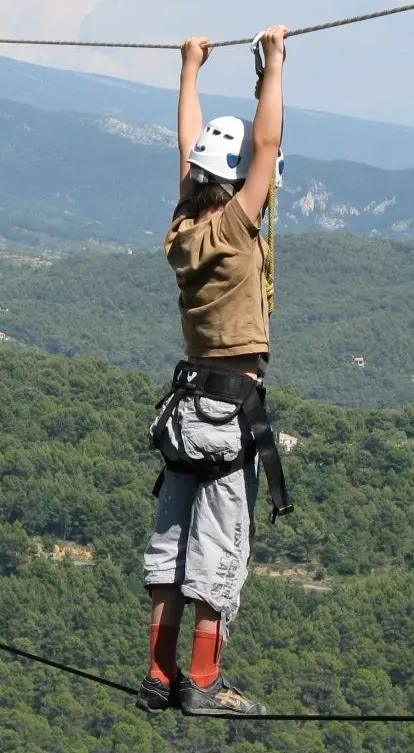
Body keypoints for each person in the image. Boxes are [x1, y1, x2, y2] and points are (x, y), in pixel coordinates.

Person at [138, 26, 291, 717]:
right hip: (230, 412)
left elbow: (189, 147)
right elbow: (265, 148)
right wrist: (276, 63)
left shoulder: (184, 228)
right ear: (233, 186)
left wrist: (189, 71)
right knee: (219, 552)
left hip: (185, 412)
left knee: (172, 545)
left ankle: (158, 674)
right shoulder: (235, 226)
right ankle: (202, 682)